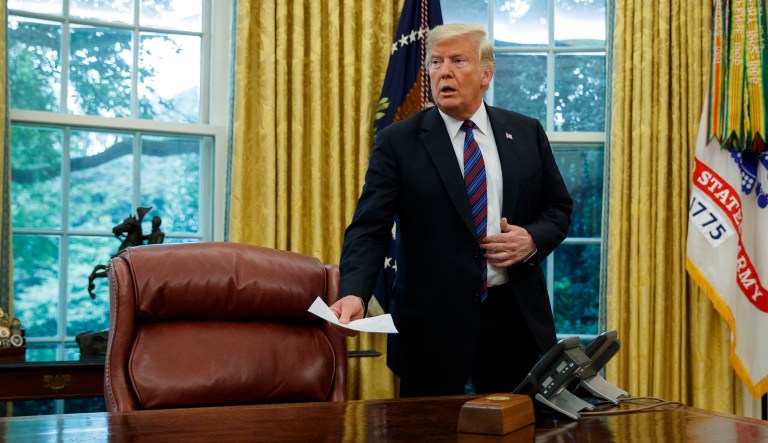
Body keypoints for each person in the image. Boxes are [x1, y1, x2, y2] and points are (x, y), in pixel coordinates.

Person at [330, 23, 573, 397]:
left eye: (458, 60)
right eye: (436, 62)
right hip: (431, 325)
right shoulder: (399, 142)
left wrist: (532, 238)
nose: (444, 71)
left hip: (513, 318)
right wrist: (354, 293)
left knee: (516, 430)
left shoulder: (525, 132)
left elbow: (557, 208)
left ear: (486, 74)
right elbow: (370, 227)